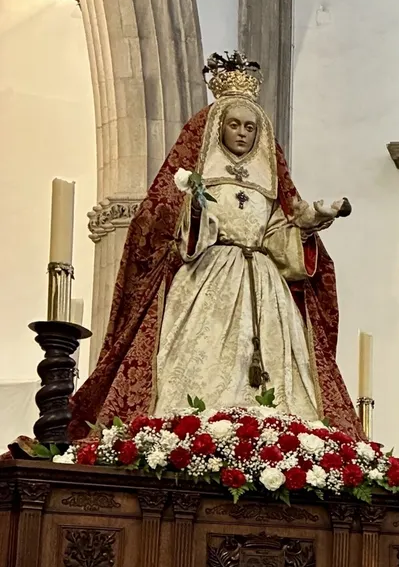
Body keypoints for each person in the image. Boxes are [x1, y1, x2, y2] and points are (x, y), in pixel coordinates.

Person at [70, 51, 359, 437]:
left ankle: (275, 432)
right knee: (201, 358)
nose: (242, 132)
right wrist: (193, 208)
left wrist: (306, 226)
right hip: (208, 280)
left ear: (261, 136)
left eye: (250, 128)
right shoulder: (199, 180)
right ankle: (192, 428)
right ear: (217, 129)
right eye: (234, 125)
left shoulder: (267, 191)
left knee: (278, 370)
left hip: (264, 285)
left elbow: (278, 242)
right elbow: (180, 236)